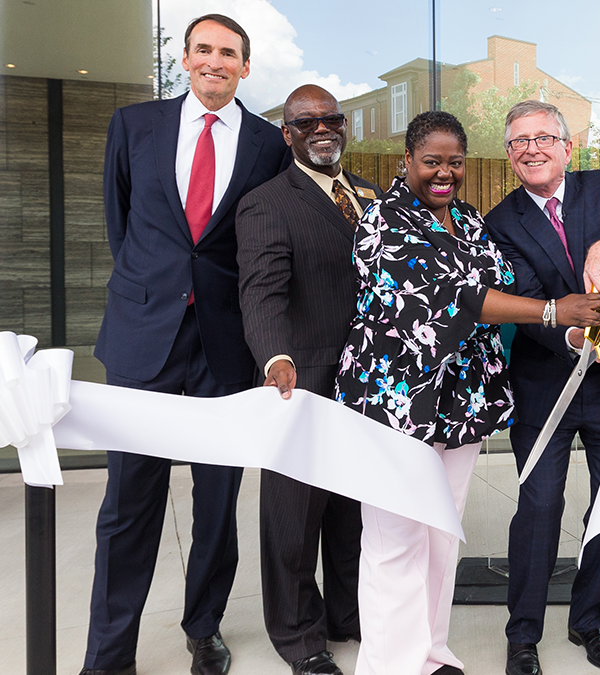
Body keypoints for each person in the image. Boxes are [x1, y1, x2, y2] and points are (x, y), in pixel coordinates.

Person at [333, 110, 600, 675]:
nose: (445, 173)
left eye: (455, 162)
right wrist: (555, 311)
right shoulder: (383, 219)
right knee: (395, 540)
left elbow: (504, 282)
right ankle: (389, 665)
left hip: (460, 400)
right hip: (394, 402)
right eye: (431, 162)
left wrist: (582, 302)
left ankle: (431, 653)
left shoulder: (466, 217)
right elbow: (451, 298)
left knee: (441, 532)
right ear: (407, 161)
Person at [84, 14, 290, 675]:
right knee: (128, 504)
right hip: (143, 338)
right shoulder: (134, 125)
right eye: (203, 49)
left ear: (245, 67)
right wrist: (157, 291)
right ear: (185, 56)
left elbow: (262, 244)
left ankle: (204, 627)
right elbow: (123, 226)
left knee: (217, 503)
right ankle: (108, 653)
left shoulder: (268, 143)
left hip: (224, 345)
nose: (214, 61)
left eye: (228, 53)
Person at [484, 99, 600, 675]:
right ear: (509, 155)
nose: (532, 149)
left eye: (543, 138)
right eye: (519, 141)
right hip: (546, 385)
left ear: (566, 146)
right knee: (538, 507)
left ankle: (589, 622)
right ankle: (523, 637)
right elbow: (528, 302)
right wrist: (578, 338)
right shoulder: (500, 222)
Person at [237, 84, 379, 675]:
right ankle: (299, 638)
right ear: (287, 133)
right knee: (293, 518)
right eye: (306, 122)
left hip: (369, 381)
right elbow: (260, 293)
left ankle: (348, 615)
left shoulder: (371, 195)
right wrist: (275, 358)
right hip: (301, 378)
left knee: (353, 511)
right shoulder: (266, 202)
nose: (321, 128)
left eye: (331, 119)